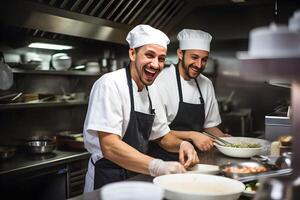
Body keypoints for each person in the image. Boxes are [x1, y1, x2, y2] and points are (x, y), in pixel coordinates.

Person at [83, 25, 199, 192]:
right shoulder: (110, 84)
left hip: (137, 175)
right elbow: (109, 146)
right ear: (132, 54)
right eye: (149, 55)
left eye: (161, 58)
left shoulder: (152, 90)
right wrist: (157, 166)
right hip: (107, 178)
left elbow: (162, 136)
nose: (155, 64)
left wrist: (182, 145)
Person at [148, 29, 229, 161]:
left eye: (204, 60)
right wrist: (193, 135)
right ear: (180, 54)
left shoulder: (206, 83)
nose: (199, 65)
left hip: (196, 158)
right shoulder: (160, 81)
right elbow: (157, 131)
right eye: (194, 57)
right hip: (164, 158)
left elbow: (210, 125)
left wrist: (226, 142)